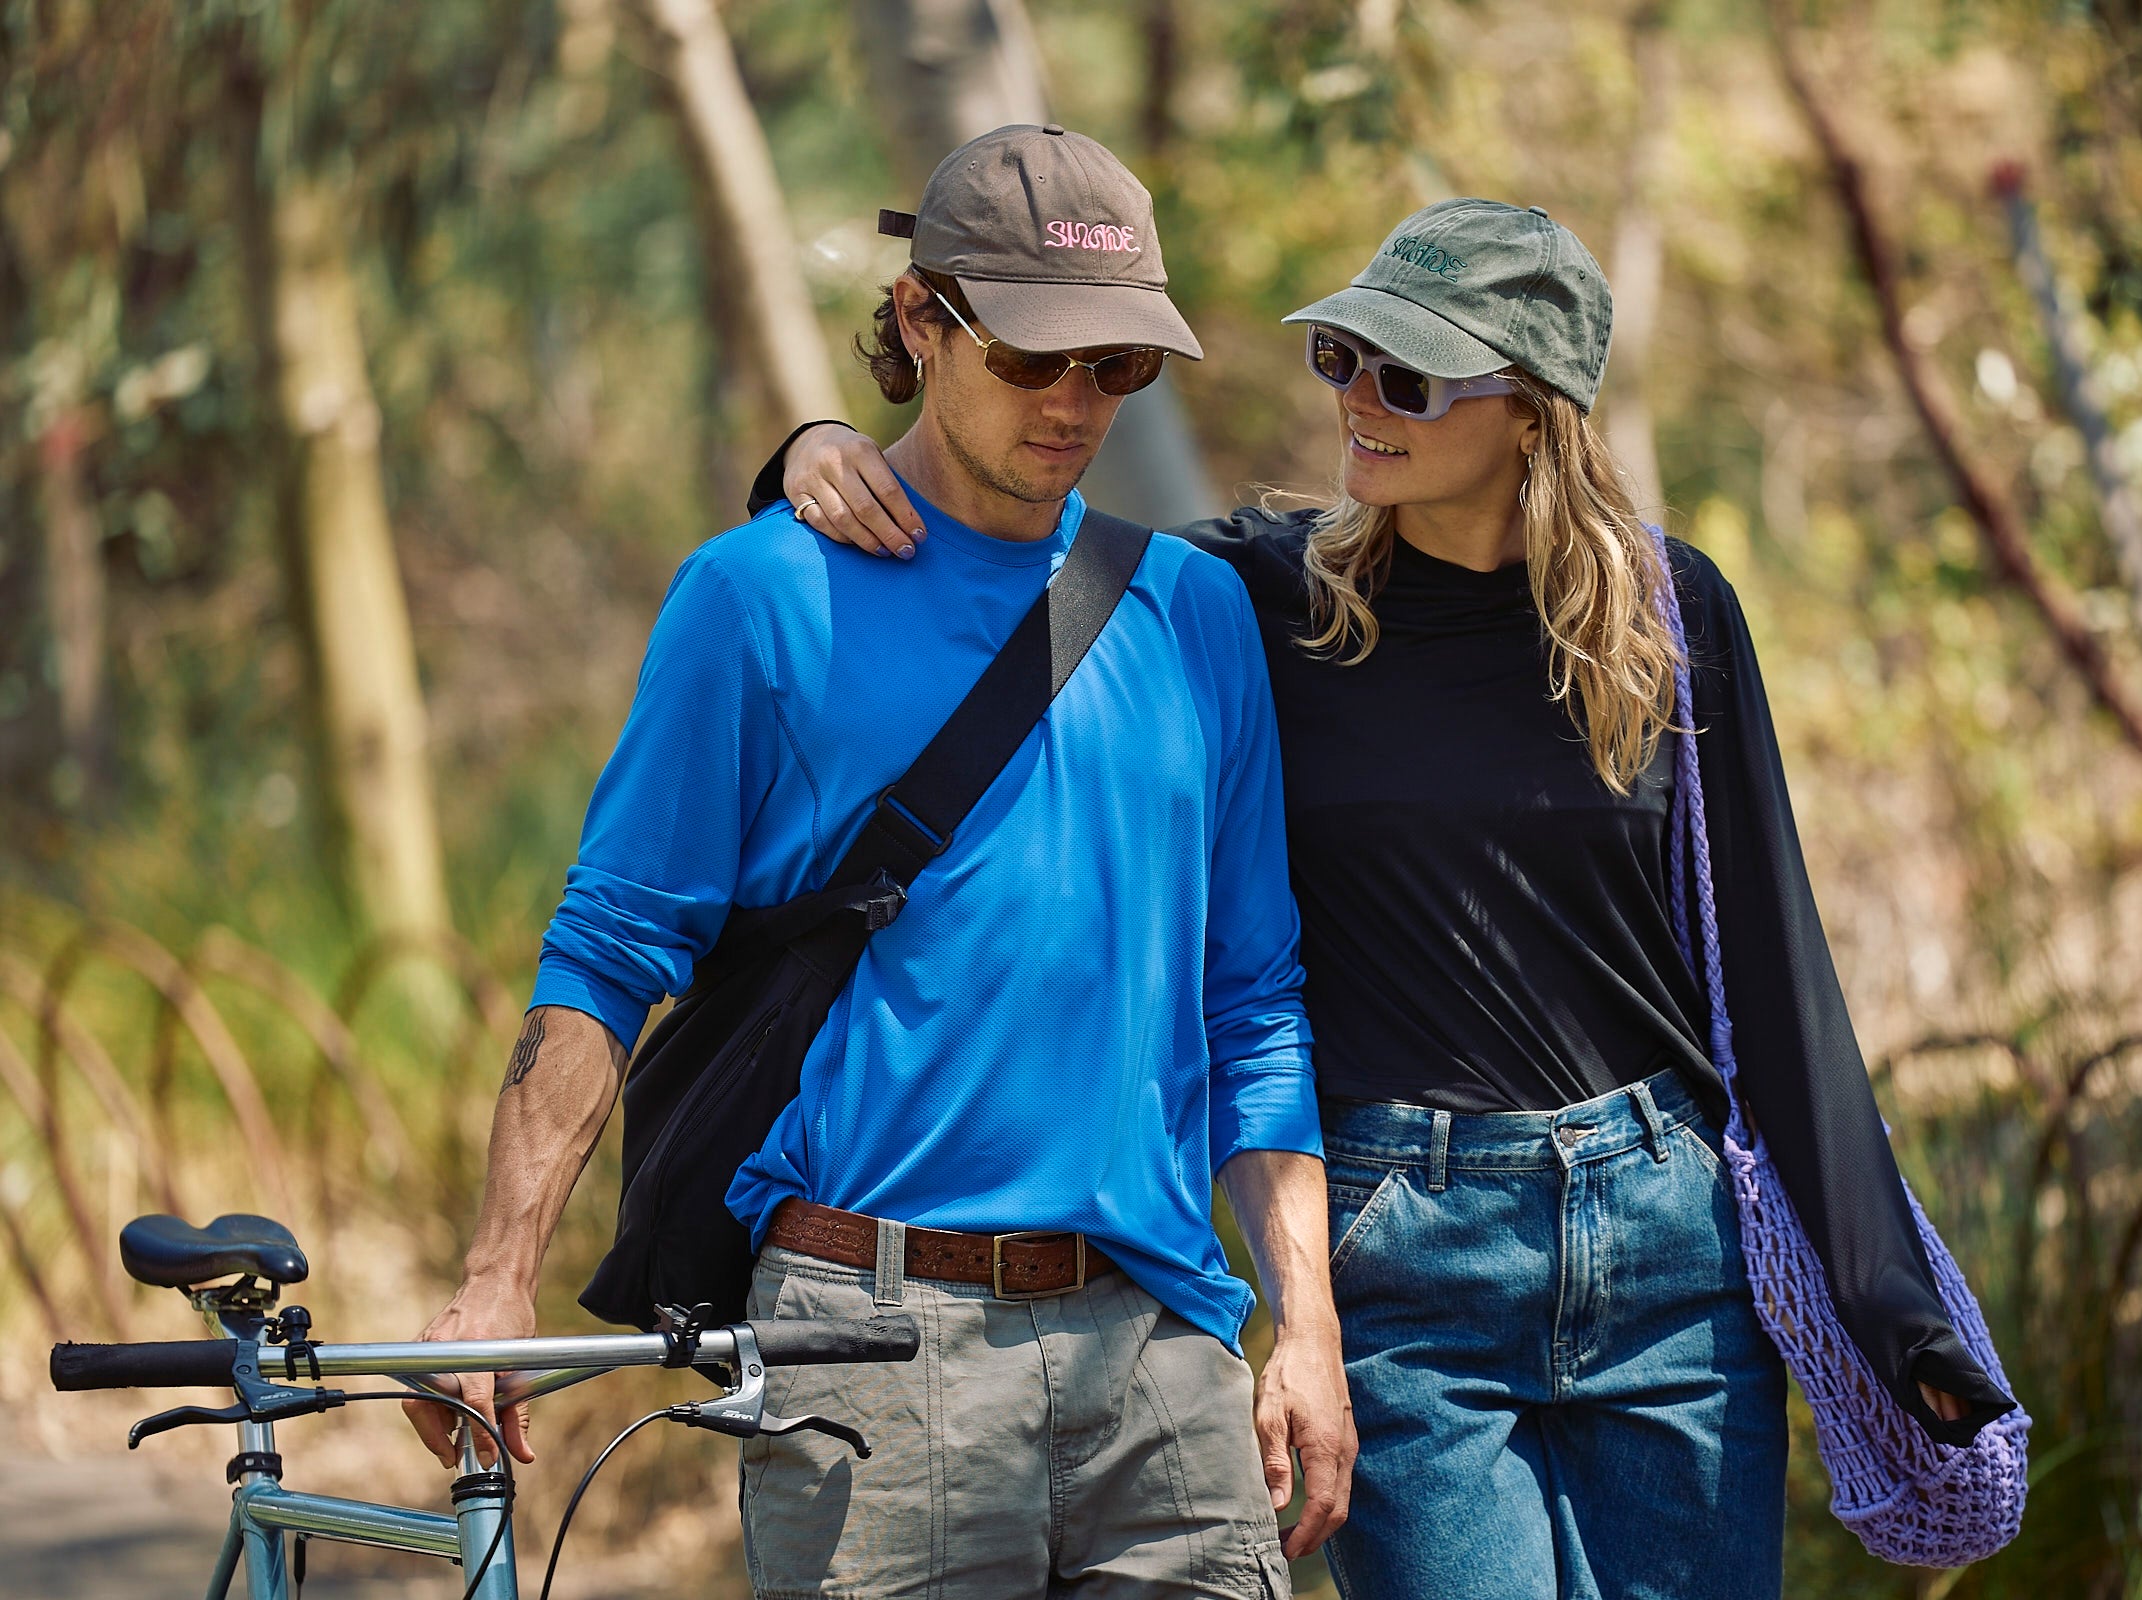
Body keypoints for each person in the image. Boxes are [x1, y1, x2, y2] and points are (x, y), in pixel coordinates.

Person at [761, 197, 2017, 1600]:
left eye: (1410, 378)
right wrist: (810, 455)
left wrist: (1895, 1306)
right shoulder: (1263, 597)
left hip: (1670, 1250)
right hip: (1404, 1262)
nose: (1360, 399)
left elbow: (1777, 976)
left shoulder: (1670, 614)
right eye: (1345, 359)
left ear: (1535, 412)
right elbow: (1014, 547)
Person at [405, 124, 1354, 1600]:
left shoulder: (1195, 615)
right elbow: (605, 954)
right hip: (872, 1352)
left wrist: (1307, 1326)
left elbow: (1257, 1005)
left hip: (1164, 1358)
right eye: (1034, 357)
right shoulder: (756, 601)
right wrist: (493, 1280)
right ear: (921, 321)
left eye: (1118, 365)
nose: (1075, 403)